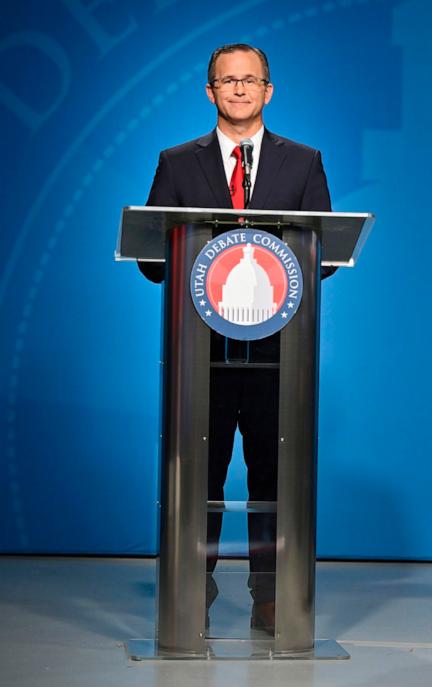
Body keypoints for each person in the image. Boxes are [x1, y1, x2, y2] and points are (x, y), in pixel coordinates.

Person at [137, 43, 332, 634]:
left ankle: (270, 596)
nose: (240, 90)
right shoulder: (177, 162)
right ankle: (195, 591)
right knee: (202, 475)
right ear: (210, 92)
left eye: (251, 80)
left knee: (274, 476)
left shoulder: (303, 162)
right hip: (202, 356)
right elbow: (151, 257)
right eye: (228, 81)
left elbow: (321, 258)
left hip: (278, 355)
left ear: (269, 91)